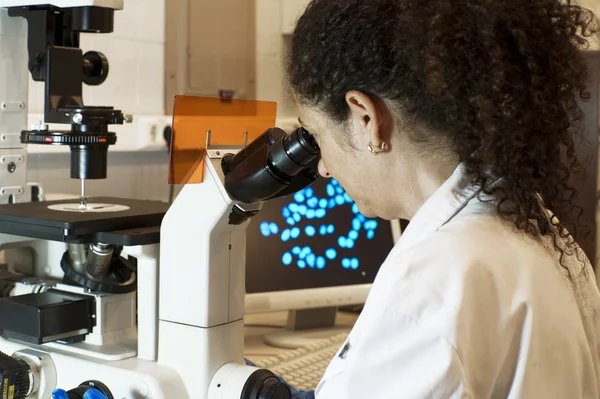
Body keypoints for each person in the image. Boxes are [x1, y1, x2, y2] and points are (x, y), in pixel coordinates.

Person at [279, 0, 600, 397]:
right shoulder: (542, 230)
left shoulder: (429, 286)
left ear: (365, 117)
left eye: (315, 135)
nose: (323, 168)